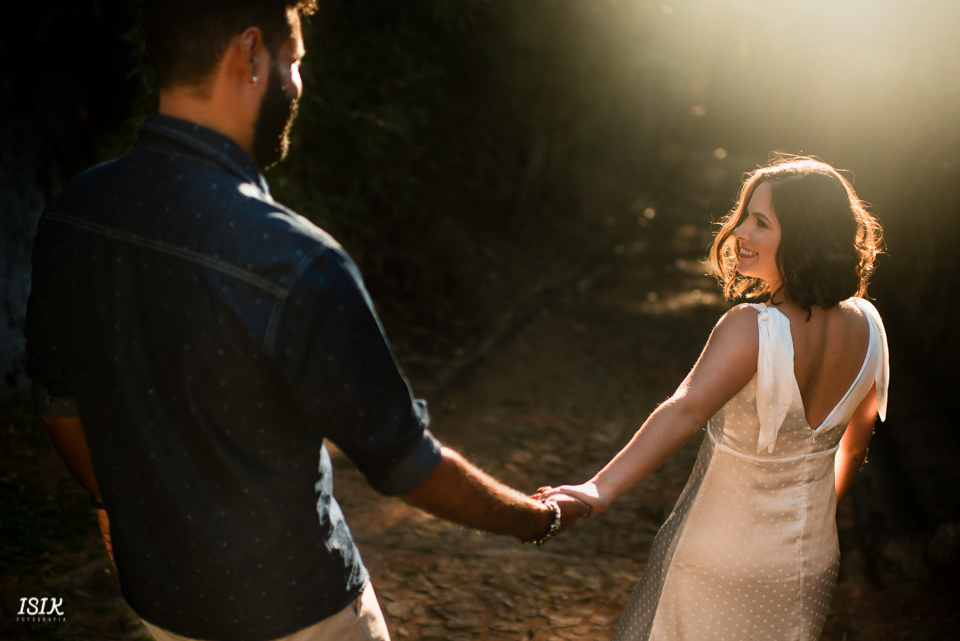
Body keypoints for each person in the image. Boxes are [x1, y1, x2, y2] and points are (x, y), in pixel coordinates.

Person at [23, 2, 588, 641]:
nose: (298, 83)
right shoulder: (293, 258)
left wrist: (109, 503)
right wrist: (537, 518)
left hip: (161, 608)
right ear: (250, 55)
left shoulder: (72, 214)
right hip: (302, 614)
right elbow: (407, 464)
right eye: (295, 62)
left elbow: (57, 400)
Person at [539, 157, 888, 641]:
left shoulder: (752, 327)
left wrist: (599, 490)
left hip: (716, 554)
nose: (739, 230)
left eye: (760, 222)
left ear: (804, 235)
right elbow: (853, 446)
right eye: (744, 215)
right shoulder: (870, 327)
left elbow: (685, 409)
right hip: (808, 559)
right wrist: (806, 520)